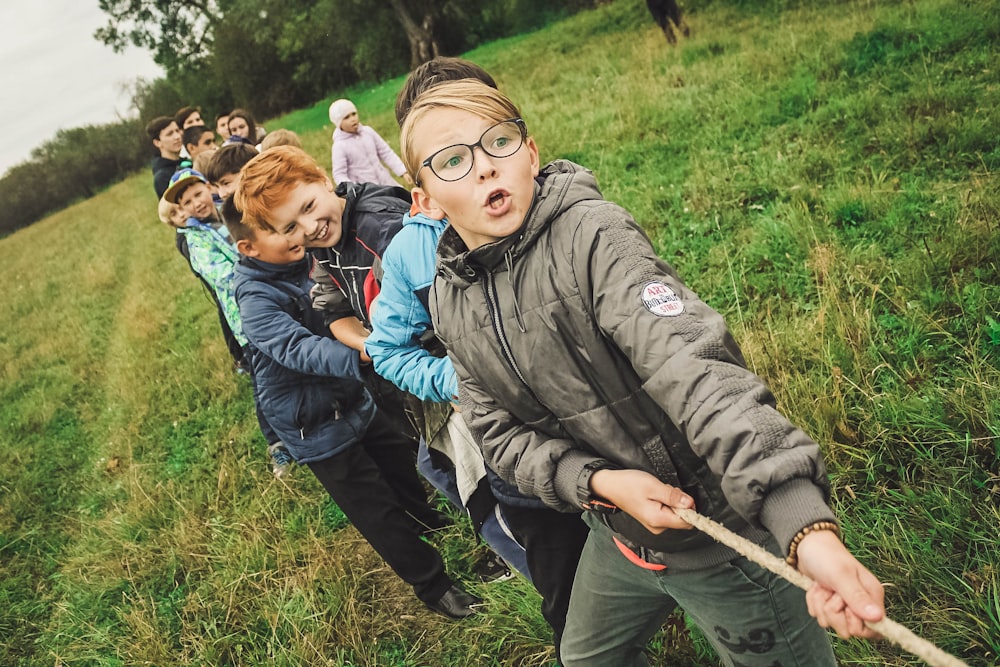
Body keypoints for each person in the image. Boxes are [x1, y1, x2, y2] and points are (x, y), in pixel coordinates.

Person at [400, 80, 887, 666]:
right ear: (424, 200)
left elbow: (694, 368)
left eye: (498, 142)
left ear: (530, 153)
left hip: (718, 541)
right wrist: (600, 483)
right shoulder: (450, 301)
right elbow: (498, 436)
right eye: (452, 160)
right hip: (618, 535)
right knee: (584, 659)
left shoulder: (594, 238)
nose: (483, 168)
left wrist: (801, 524)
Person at [368, 57, 592, 657]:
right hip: (516, 453)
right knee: (565, 588)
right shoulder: (416, 253)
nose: (480, 160)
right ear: (425, 176)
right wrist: (463, 381)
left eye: (491, 131)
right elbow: (386, 349)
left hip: (602, 426)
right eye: (450, 151)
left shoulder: (568, 215)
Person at [229, 161, 482, 620]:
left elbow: (344, 297)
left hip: (354, 398)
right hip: (313, 423)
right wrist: (370, 354)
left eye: (304, 214)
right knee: (375, 509)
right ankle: (434, 586)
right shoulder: (254, 298)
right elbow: (296, 347)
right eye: (285, 229)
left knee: (404, 464)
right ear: (250, 246)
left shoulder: (318, 248)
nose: (299, 234)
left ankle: (429, 521)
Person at [163, 168, 294, 479]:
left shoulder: (233, 214)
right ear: (181, 210)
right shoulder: (196, 240)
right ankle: (276, 443)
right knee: (265, 381)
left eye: (197, 193)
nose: (195, 203)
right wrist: (263, 265)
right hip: (247, 319)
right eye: (186, 201)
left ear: (209, 189)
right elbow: (223, 277)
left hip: (278, 300)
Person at [329, 98, 412, 187]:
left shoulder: (368, 132)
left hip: (386, 182)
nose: (353, 119)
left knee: (404, 199)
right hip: (368, 192)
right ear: (339, 123)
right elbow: (339, 174)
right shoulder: (340, 146)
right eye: (346, 117)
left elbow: (386, 152)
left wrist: (402, 171)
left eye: (353, 114)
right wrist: (353, 189)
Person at [145, 116, 189, 198]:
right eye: (170, 134)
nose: (177, 136)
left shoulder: (188, 162)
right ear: (157, 142)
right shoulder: (162, 177)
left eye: (177, 131)